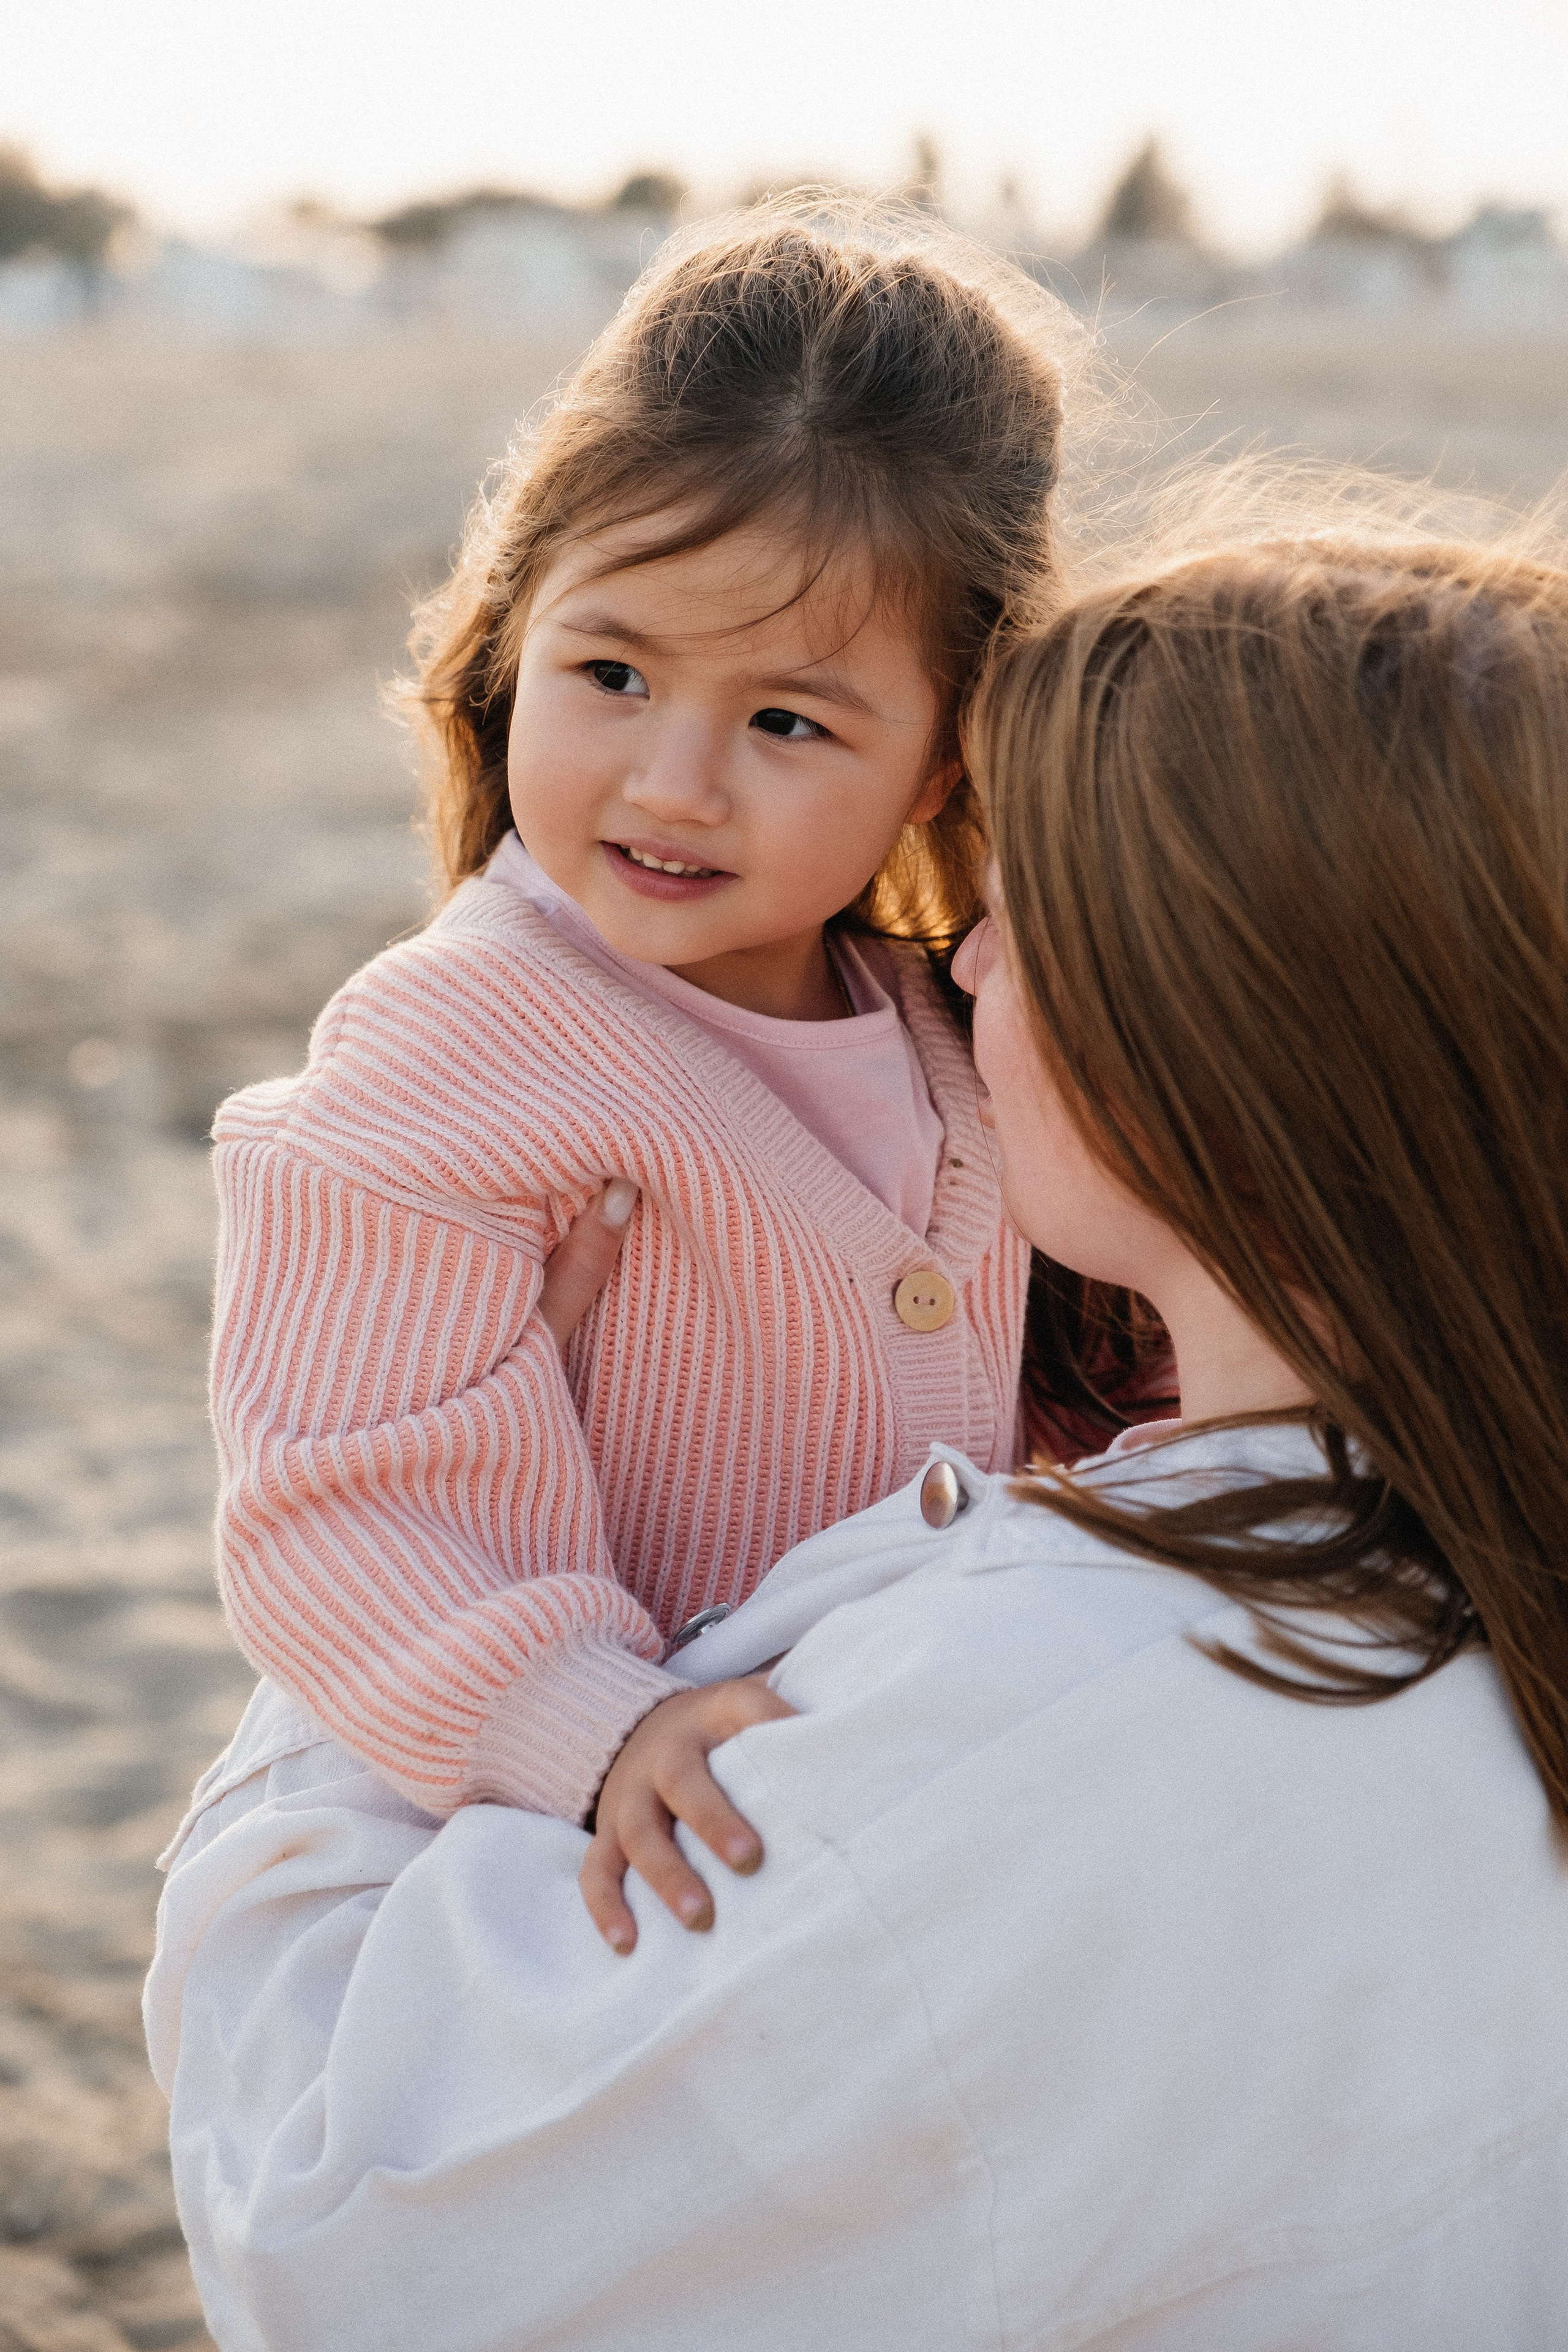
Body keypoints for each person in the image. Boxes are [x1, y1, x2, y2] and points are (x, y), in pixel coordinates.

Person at [149, 528, 1568, 2347]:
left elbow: (345, 2234)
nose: (959, 958)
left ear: (1207, 1049)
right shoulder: (1477, 1562)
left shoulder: (1010, 1737)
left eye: (1026, 914)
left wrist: (434, 1551)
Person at [205, 198, 1171, 1954]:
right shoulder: (454, 1047)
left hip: (878, 1816)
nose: (673, 781)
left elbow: (1068, 1377)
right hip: (594, 1850)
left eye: (788, 720)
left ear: (944, 761)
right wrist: (587, 1723)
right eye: (613, 673)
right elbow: (341, 1492)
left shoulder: (956, 1025)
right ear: (516, 637)